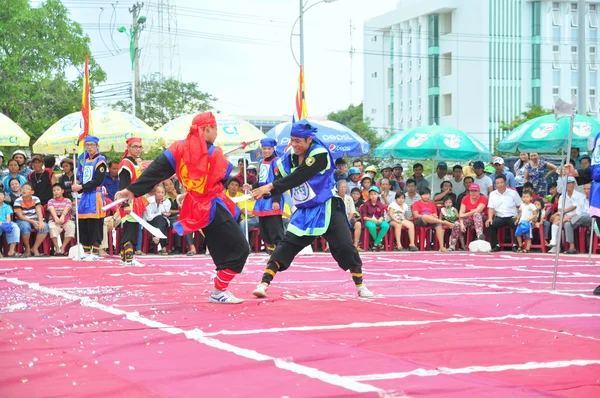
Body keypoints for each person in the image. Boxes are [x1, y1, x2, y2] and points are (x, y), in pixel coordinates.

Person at [116, 112, 249, 304]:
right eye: (215, 129)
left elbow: (157, 170)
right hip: (209, 204)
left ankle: (220, 287)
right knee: (240, 248)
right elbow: (223, 177)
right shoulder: (214, 152)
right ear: (207, 129)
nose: (217, 133)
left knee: (222, 246)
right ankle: (218, 290)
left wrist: (132, 190)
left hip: (195, 205)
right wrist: (131, 190)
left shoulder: (179, 148)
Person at [250, 120, 374, 298]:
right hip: (305, 210)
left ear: (309, 139)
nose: (294, 144)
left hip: (328, 206)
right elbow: (279, 176)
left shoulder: (320, 153)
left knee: (345, 246)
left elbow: (298, 177)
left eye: (298, 141)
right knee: (286, 245)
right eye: (292, 140)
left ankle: (360, 285)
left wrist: (269, 187)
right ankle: (264, 283)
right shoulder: (290, 155)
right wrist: (264, 191)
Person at [245, 138, 285, 255]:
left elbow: (279, 182)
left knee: (275, 229)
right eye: (264, 148)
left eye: (269, 149)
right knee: (264, 230)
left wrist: (276, 200)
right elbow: (261, 181)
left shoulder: (277, 162)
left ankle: (280, 253)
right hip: (262, 200)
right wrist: (251, 187)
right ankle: (271, 252)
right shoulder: (262, 162)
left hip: (272, 198)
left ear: (273, 149)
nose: (266, 151)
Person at [71, 136, 107, 260]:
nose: (89, 147)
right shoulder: (85, 160)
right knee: (83, 223)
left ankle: (95, 251)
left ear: (97, 146)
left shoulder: (101, 161)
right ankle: (85, 251)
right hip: (85, 195)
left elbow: (98, 180)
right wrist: (77, 187)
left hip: (95, 195)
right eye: (87, 145)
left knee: (94, 224)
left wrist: (81, 187)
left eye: (92, 145)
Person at [116, 137, 148, 265]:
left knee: (134, 229)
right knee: (130, 230)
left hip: (137, 201)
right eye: (135, 146)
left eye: (140, 147)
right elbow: (124, 185)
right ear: (128, 148)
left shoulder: (135, 162)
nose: (138, 149)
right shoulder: (126, 163)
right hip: (130, 201)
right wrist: (125, 204)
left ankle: (125, 258)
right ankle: (129, 258)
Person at [486, 175, 523, 252]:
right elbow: (491, 208)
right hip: (499, 217)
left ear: (505, 183)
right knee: (490, 224)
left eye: (501, 182)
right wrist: (489, 218)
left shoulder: (513, 193)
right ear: (495, 184)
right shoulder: (492, 194)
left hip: (512, 216)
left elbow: (521, 206)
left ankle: (516, 245)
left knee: (518, 223)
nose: (500, 184)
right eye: (497, 183)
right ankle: (495, 245)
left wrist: (519, 216)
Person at [13, 182, 49, 257]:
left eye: (27, 188)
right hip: (23, 220)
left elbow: (39, 212)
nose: (24, 190)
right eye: (23, 188)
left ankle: (35, 248)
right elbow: (20, 216)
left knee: (45, 226)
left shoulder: (36, 199)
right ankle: (27, 248)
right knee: (26, 227)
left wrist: (41, 221)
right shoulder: (17, 201)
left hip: (35, 219)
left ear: (32, 192)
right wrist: (32, 222)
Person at [449, 183, 488, 250]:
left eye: (475, 191)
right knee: (456, 224)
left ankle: (480, 238)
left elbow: (478, 210)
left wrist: (464, 215)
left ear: (479, 191)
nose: (473, 193)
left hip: (482, 217)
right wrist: (461, 223)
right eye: (471, 191)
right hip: (469, 218)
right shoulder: (465, 198)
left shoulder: (483, 198)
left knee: (476, 214)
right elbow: (461, 212)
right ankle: (452, 245)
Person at [47, 183, 75, 256]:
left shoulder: (67, 200)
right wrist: (56, 218)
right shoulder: (51, 201)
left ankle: (63, 247)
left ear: (62, 191)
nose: (56, 192)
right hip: (54, 219)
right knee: (52, 227)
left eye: (58, 190)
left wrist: (62, 216)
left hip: (65, 219)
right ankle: (57, 248)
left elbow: (67, 209)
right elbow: (51, 210)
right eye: (54, 190)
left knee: (71, 227)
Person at [359, 186, 389, 251]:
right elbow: (364, 217)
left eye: (375, 194)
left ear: (378, 195)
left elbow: (382, 215)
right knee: (372, 226)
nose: (373, 196)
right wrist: (373, 220)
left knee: (386, 225)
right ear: (369, 195)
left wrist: (380, 219)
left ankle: (375, 243)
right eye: (371, 194)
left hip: (378, 220)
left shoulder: (380, 204)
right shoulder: (365, 204)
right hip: (368, 220)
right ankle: (378, 243)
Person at [336, 180, 362, 251]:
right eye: (341, 187)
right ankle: (330, 246)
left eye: (344, 187)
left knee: (358, 224)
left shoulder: (349, 198)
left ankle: (355, 245)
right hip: (337, 220)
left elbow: (352, 212)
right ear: (337, 188)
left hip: (348, 219)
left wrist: (347, 220)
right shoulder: (334, 198)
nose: (342, 189)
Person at [0, 189, 20, 257]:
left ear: (4, 197)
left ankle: (11, 251)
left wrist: (4, 223)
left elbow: (8, 219)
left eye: (1, 195)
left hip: (4, 223)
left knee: (15, 227)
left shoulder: (7, 206)